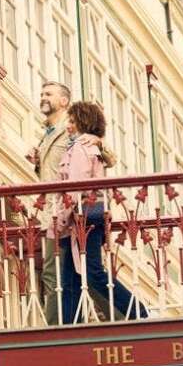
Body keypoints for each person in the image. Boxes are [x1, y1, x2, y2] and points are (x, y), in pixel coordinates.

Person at [53, 100, 148, 323]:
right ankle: (69, 325)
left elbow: (75, 187)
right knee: (72, 277)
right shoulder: (89, 147)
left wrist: (59, 222)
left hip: (82, 217)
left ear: (81, 122)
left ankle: (138, 312)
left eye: (72, 121)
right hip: (87, 215)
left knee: (92, 272)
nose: (67, 126)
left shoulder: (81, 148)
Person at [29, 82, 71, 324]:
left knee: (55, 270)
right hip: (51, 212)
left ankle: (56, 327)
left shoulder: (70, 128)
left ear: (64, 101)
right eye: (42, 93)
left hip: (65, 210)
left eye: (49, 94)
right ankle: (58, 323)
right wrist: (37, 162)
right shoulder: (46, 134)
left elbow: (105, 154)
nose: (43, 97)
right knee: (56, 270)